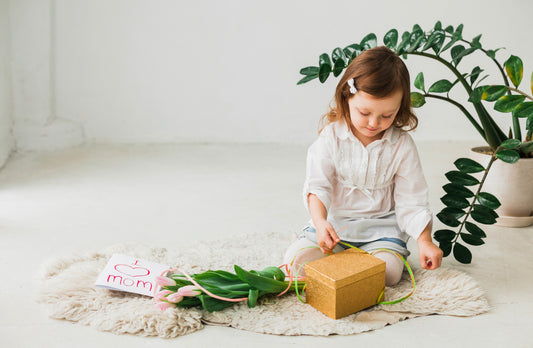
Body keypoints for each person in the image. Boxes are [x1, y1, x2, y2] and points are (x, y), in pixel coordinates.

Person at [284, 46, 443, 286]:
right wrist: (320, 223)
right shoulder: (331, 137)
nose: (373, 123)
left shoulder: (402, 145)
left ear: (400, 108)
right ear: (347, 97)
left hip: (382, 231)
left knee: (389, 274)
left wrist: (424, 241)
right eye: (364, 112)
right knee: (295, 261)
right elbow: (318, 186)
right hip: (335, 227)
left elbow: (412, 200)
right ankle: (347, 268)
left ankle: (349, 271)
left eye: (387, 115)